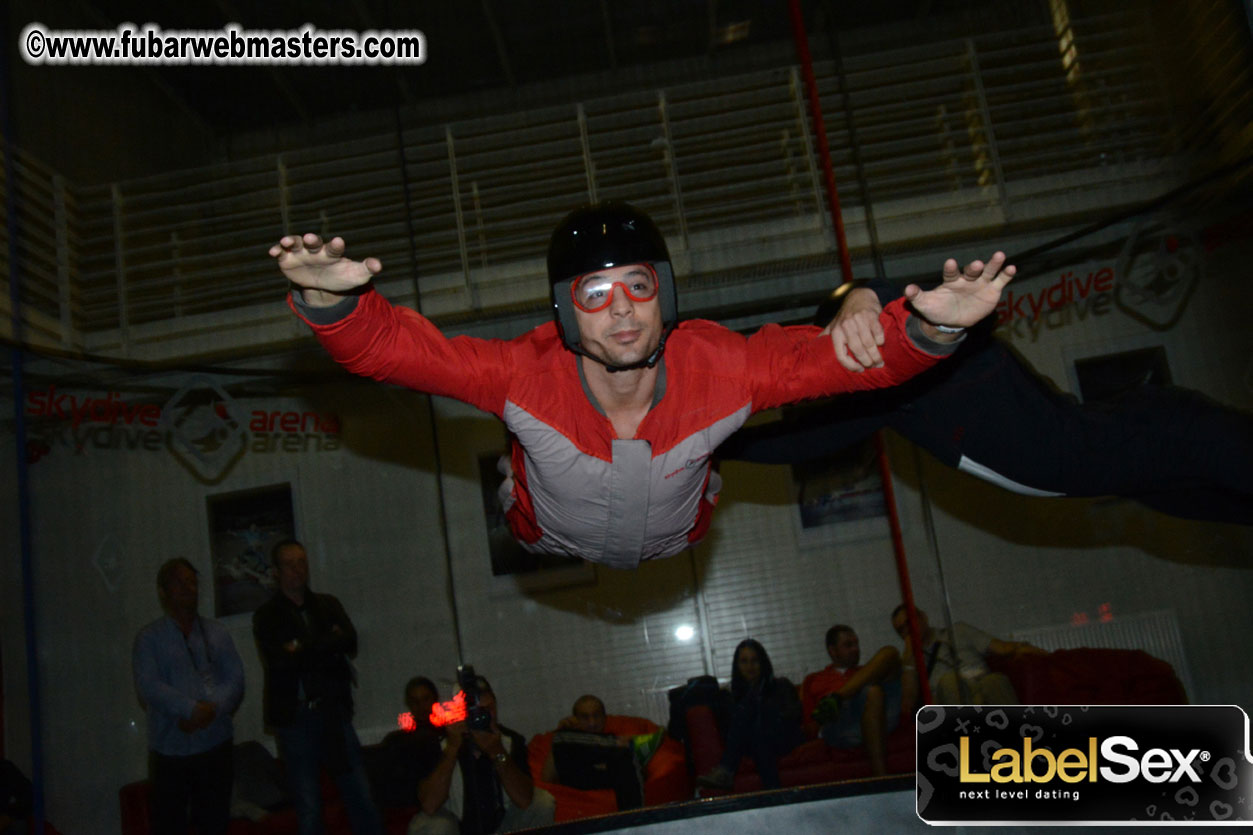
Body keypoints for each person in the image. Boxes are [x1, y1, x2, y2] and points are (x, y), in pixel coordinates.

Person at [270, 202, 1016, 567]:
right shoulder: (522, 373)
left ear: (664, 292)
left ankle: (703, 481)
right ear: (564, 312)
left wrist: (934, 329)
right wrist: (330, 301)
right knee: (523, 477)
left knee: (713, 462)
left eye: (636, 284)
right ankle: (514, 478)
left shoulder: (719, 366)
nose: (622, 309)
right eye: (594, 294)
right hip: (547, 532)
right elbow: (396, 352)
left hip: (677, 534)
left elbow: (848, 362)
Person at [718, 280, 1253, 526]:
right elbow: (811, 437)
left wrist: (862, 296)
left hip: (1173, 434)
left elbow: (934, 312)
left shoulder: (929, 355)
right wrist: (720, 445)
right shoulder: (894, 395)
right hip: (1141, 467)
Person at [252, 540, 382, 835]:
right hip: (296, 719)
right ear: (276, 571)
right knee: (308, 806)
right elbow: (281, 662)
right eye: (289, 564)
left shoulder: (327, 604)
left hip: (334, 712)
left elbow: (349, 642)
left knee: (361, 795)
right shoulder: (267, 615)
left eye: (302, 562)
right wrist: (326, 643)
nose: (297, 570)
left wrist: (300, 647)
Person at [132, 557, 245, 835]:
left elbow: (235, 679)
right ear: (162, 591)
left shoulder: (216, 632)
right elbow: (149, 686)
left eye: (192, 582)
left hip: (215, 747)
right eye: (179, 582)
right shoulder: (149, 638)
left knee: (216, 823)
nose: (187, 588)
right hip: (171, 754)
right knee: (169, 826)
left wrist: (211, 710)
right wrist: (191, 710)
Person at [412, 675, 555, 834]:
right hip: (458, 828)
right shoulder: (440, 745)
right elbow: (429, 805)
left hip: (502, 827)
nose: (484, 717)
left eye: (489, 709)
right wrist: (452, 749)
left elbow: (525, 800)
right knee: (431, 825)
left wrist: (497, 752)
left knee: (543, 803)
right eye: (476, 712)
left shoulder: (509, 741)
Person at [801, 624, 910, 777]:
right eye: (848, 645)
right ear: (832, 651)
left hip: (877, 717)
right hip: (841, 726)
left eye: (856, 644)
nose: (855, 649)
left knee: (890, 652)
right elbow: (811, 727)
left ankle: (838, 697)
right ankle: (882, 778)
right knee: (872, 691)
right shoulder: (814, 680)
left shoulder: (868, 671)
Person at [696, 639, 804, 791]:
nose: (750, 666)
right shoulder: (732, 696)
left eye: (755, 661)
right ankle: (775, 794)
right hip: (753, 742)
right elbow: (728, 731)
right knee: (759, 739)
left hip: (783, 736)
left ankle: (726, 769)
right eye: (744, 661)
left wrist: (766, 711)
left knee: (755, 724)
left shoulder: (781, 685)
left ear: (763, 663)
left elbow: (794, 717)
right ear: (737, 665)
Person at [891, 604, 1044, 704]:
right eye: (901, 629)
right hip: (949, 696)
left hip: (981, 684)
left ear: (922, 617)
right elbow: (908, 704)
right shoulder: (910, 662)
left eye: (909, 622)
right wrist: (909, 661)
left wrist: (1028, 649)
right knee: (950, 682)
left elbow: (1002, 648)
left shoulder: (959, 631)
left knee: (995, 681)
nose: (907, 630)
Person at [371, 677, 444, 810]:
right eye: (415, 701)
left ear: (435, 699)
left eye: (425, 699)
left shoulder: (448, 735)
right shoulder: (396, 740)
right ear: (409, 704)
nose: (421, 706)